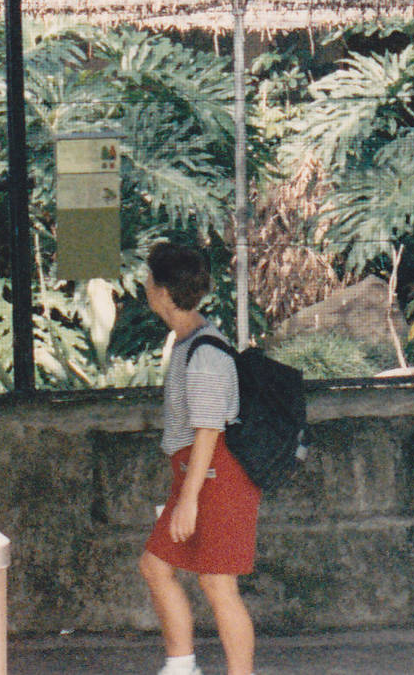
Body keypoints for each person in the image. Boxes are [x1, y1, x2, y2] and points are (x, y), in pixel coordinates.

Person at [138, 242, 260, 675]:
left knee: (218, 584)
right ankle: (181, 665)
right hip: (196, 474)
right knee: (156, 567)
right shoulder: (187, 341)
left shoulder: (205, 352)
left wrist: (188, 501)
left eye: (149, 278)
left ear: (163, 291)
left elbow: (209, 429)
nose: (145, 285)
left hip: (218, 477)